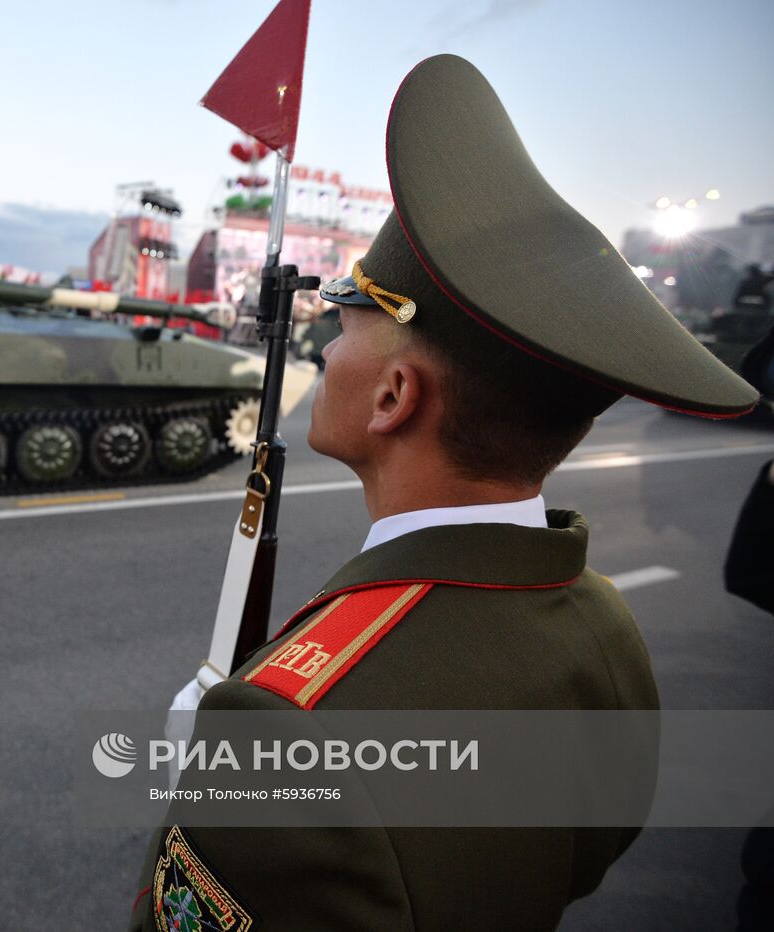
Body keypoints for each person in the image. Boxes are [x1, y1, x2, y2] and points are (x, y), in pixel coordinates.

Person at [129, 54, 757, 931]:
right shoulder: (606, 629)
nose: (323, 354)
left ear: (394, 397)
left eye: (345, 324)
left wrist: (215, 790)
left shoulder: (285, 737)